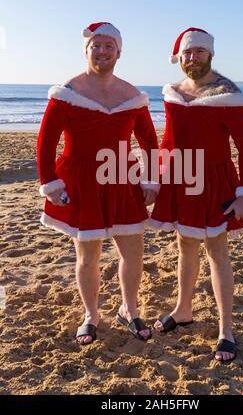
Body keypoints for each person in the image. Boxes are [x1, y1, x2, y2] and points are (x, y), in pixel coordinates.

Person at [37, 22, 159, 345]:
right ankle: (91, 315)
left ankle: (128, 310)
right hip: (81, 182)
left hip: (122, 178)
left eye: (109, 46)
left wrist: (151, 179)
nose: (102, 51)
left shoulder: (131, 95)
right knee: (88, 257)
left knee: (133, 253)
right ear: (86, 49)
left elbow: (149, 140)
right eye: (96, 45)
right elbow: (46, 142)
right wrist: (50, 183)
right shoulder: (68, 91)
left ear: (119, 51)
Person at [149, 27, 243, 362]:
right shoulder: (174, 93)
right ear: (179, 58)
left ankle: (226, 329)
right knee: (184, 247)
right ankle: (184, 309)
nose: (192, 58)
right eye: (187, 53)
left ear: (210, 54)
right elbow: (168, 140)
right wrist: (156, 179)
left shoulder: (228, 94)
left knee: (217, 251)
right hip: (181, 178)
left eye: (198, 52)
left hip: (215, 180)